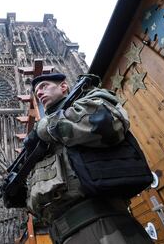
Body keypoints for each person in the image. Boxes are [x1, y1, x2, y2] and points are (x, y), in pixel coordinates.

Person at [23, 73, 152, 244]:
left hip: (101, 222)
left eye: (44, 86)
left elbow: (105, 124)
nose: (39, 93)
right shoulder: (47, 139)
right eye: (36, 91)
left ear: (63, 86)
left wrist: (42, 127)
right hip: (62, 234)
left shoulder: (90, 99)